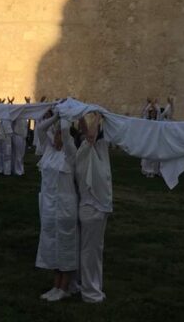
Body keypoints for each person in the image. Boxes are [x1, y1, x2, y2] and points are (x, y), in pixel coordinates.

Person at [34, 109, 78, 302]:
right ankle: (55, 284)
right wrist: (56, 116)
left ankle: (64, 286)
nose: (57, 135)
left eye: (59, 133)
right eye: (57, 133)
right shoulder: (49, 151)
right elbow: (40, 129)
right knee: (52, 243)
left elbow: (68, 136)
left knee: (65, 244)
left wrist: (66, 117)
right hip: (48, 205)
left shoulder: (70, 154)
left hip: (65, 206)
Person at [74, 112, 112, 303]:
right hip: (91, 208)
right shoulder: (85, 151)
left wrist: (82, 117)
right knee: (90, 252)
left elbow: (86, 133)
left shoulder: (94, 151)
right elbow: (89, 135)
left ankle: (92, 285)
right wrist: (97, 116)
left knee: (95, 251)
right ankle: (90, 292)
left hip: (98, 207)